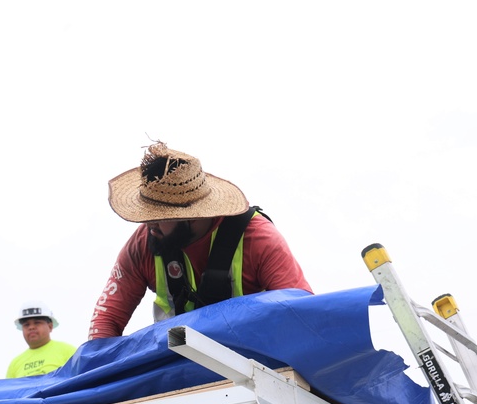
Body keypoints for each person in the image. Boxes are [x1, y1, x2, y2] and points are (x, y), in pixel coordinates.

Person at [89, 141, 312, 340]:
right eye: (148, 215)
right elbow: (105, 322)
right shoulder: (142, 244)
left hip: (253, 368)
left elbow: (303, 317)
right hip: (176, 368)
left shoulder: (259, 239)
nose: (149, 225)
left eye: (160, 217)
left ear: (193, 216)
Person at [7, 301, 77, 378]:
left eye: (37, 323)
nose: (31, 327)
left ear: (50, 326)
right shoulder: (15, 364)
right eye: (26, 324)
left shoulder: (68, 351)